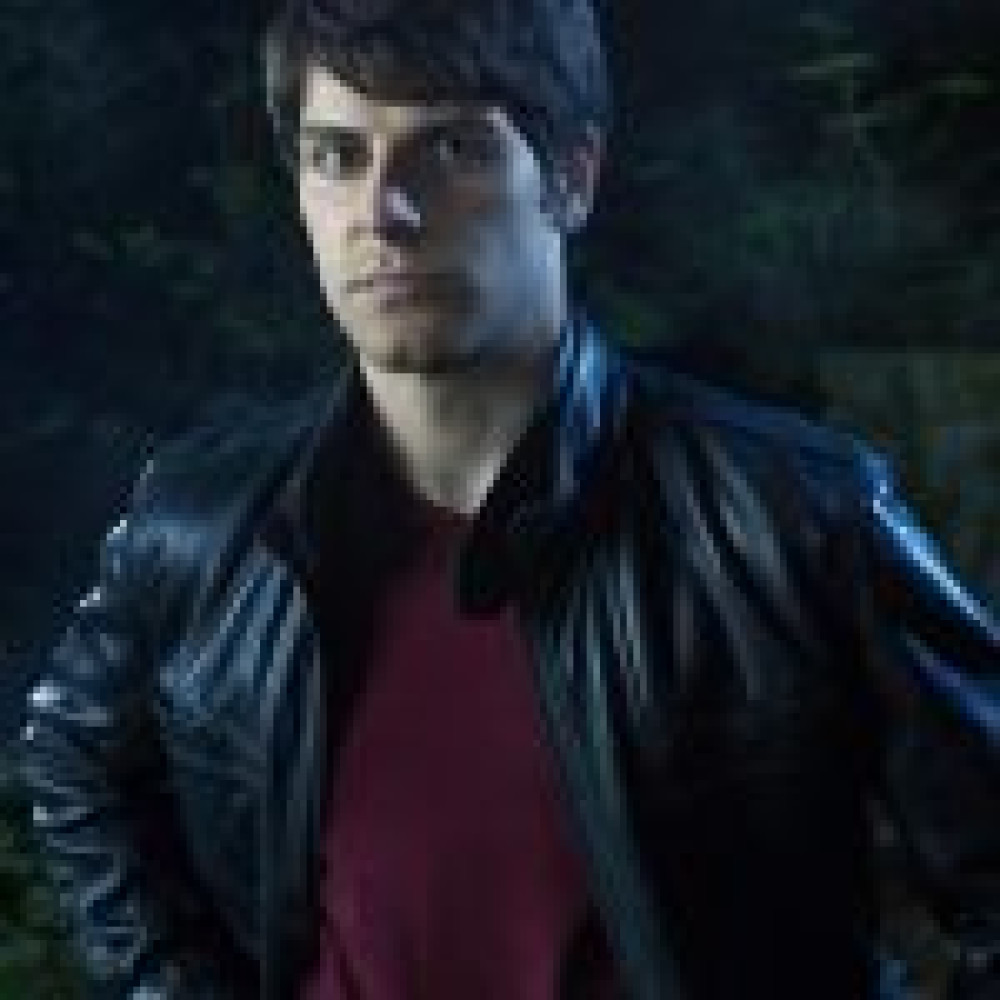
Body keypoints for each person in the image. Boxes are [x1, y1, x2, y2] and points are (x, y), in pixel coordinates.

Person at [19, 0, 1000, 998]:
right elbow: (73, 759)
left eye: (451, 149)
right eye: (337, 157)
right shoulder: (202, 524)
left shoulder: (795, 518)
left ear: (572, 177)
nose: (385, 213)